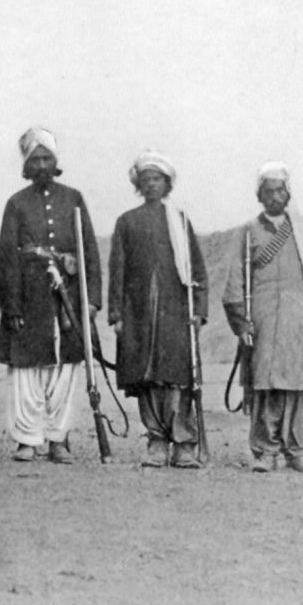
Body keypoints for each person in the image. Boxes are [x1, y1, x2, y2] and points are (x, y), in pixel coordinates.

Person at [0, 127, 100, 464]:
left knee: (65, 370)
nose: (41, 165)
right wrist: (11, 306)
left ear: (55, 161)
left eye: (46, 158)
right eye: (34, 159)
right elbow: (6, 259)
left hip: (68, 297)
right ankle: (27, 439)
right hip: (29, 297)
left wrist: (92, 300)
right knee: (26, 371)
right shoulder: (16, 204)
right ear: (26, 164)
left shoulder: (73, 198)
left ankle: (57, 439)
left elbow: (90, 252)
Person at [223, 162, 303, 473]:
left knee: (296, 383)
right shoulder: (248, 232)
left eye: (280, 190)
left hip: (297, 316)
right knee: (264, 384)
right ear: (260, 196)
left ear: (288, 194)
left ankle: (295, 450)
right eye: (268, 191)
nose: (274, 196)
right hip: (263, 317)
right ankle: (265, 451)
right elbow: (235, 279)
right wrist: (241, 322)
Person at [107, 150, 207, 469]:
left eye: (157, 179)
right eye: (146, 180)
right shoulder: (126, 222)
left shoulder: (180, 221)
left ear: (167, 184)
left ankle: (184, 444)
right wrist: (116, 314)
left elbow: (197, 270)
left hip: (176, 312)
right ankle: (157, 442)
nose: (151, 184)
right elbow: (117, 270)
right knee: (147, 378)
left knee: (178, 378)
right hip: (137, 314)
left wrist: (199, 310)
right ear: (138, 185)